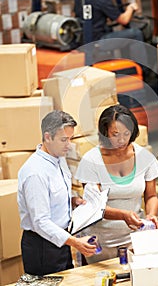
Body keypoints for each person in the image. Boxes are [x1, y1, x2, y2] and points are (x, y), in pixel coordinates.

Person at [74, 104, 158, 264]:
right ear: (105, 132)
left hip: (135, 238)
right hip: (101, 243)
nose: (121, 140)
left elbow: (151, 196)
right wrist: (123, 215)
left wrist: (151, 214)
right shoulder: (92, 160)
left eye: (126, 134)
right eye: (115, 135)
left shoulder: (144, 157)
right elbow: (93, 206)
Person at [17, 110, 96, 276]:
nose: (69, 144)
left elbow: (52, 194)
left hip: (60, 240)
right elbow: (40, 221)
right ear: (47, 137)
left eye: (71, 139)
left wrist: (70, 201)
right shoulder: (35, 173)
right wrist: (75, 242)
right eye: (64, 139)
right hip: (43, 247)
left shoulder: (58, 158)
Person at [74, 0, 148, 67]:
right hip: (98, 41)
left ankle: (128, 64)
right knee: (135, 34)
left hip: (85, 37)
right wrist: (131, 8)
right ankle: (143, 70)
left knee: (118, 32)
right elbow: (124, 20)